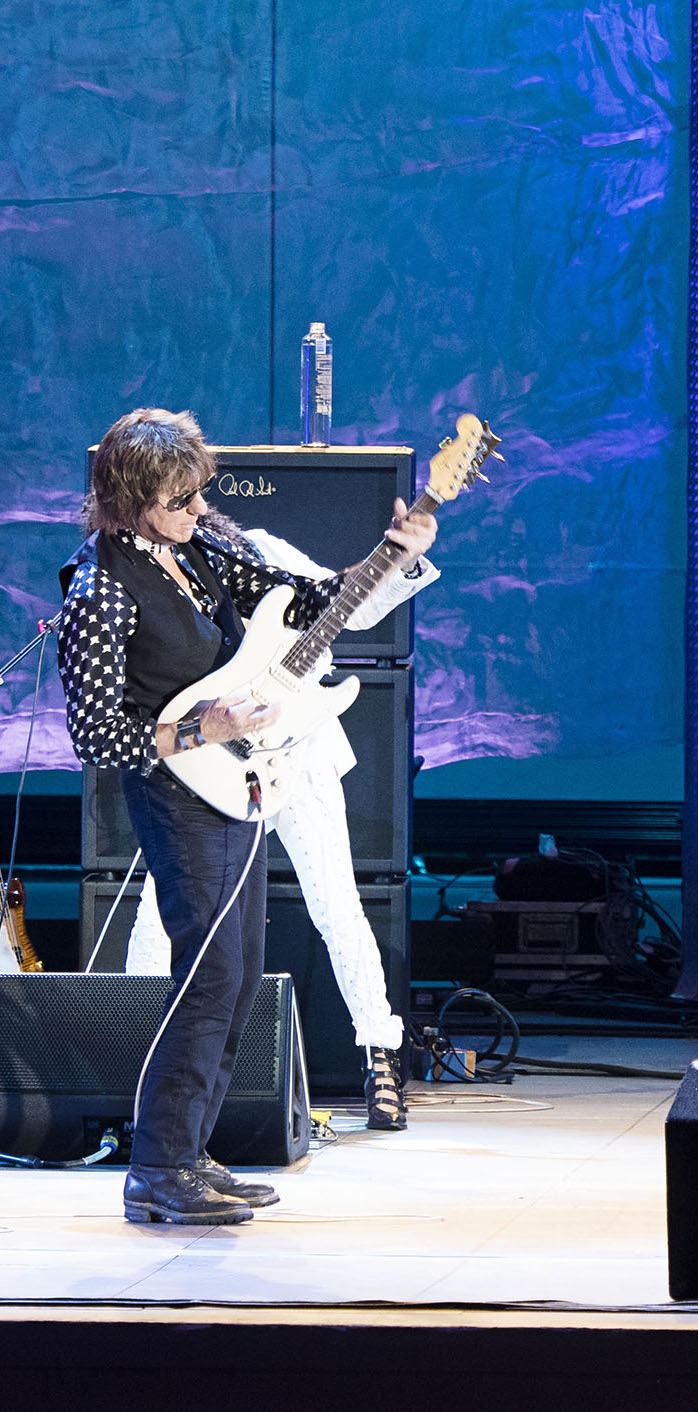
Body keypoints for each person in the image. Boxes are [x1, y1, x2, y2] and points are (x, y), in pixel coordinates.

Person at [57, 408, 435, 1224]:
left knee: (237, 975)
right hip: (179, 790)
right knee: (207, 978)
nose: (198, 510)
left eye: (199, 494)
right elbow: (94, 733)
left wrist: (392, 557)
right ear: (127, 500)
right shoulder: (98, 588)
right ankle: (156, 1167)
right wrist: (206, 728)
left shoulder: (203, 545)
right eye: (178, 500)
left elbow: (306, 604)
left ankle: (189, 1152)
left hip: (238, 786)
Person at [124, 512, 438, 1132]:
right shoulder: (165, 574)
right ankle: (135, 1065)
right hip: (217, 759)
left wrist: (399, 555)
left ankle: (381, 1055)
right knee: (160, 913)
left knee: (337, 906)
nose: (188, 517)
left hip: (302, 753)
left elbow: (355, 609)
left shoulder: (258, 550)